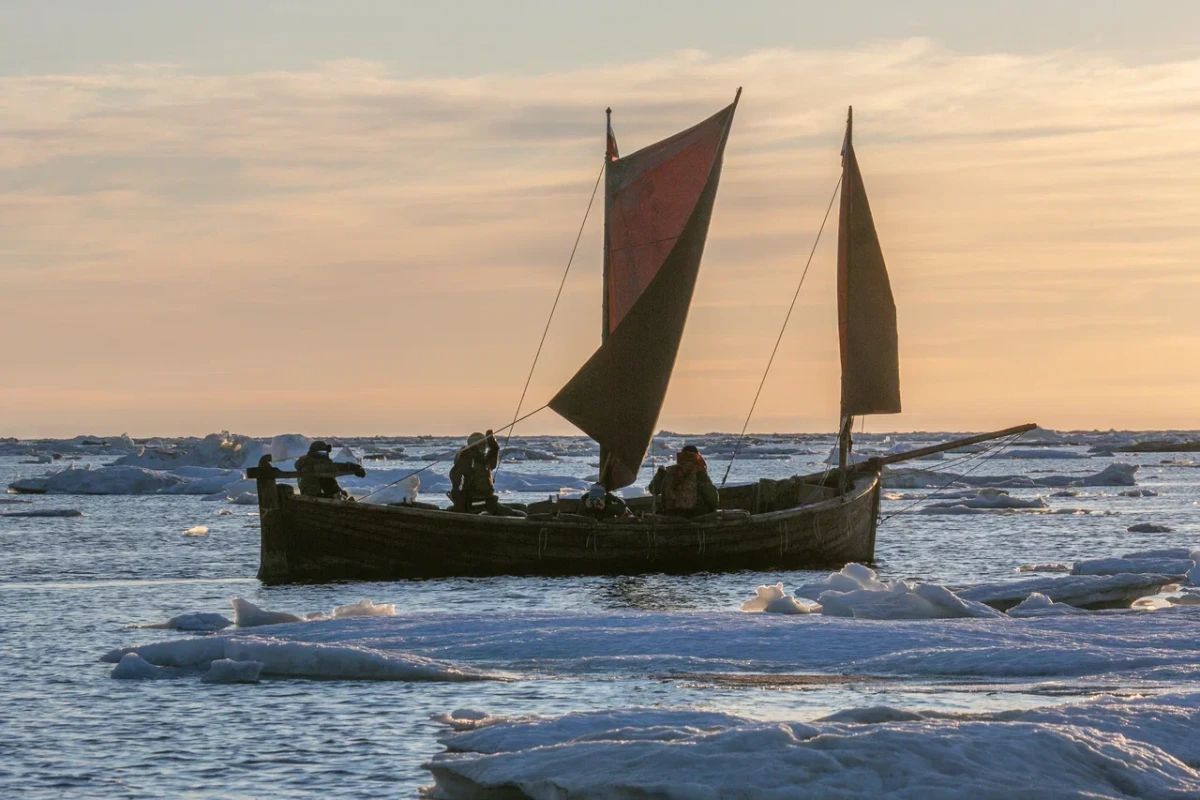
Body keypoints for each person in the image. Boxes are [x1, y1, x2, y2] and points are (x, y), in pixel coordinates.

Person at [449, 430, 525, 517]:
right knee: (487, 516)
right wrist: (461, 510)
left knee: (519, 515)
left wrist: (493, 444)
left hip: (489, 503)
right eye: (482, 444)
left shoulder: (482, 460)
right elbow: (459, 489)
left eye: (485, 444)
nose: (485, 446)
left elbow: (492, 457)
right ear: (475, 445)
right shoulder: (466, 462)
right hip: (475, 505)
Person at [649, 444, 719, 518]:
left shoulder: (669, 471)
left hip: (670, 514)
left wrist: (659, 474)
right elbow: (712, 499)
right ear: (697, 457)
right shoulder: (699, 472)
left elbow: (653, 489)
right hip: (695, 515)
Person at [295, 441, 365, 500]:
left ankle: (342, 499)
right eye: (321, 453)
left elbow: (328, 474)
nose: (323, 455)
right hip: (313, 497)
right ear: (314, 453)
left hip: (314, 495)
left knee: (342, 492)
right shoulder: (312, 463)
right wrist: (351, 467)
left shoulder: (308, 461)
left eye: (325, 453)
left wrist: (339, 492)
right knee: (335, 494)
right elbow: (330, 467)